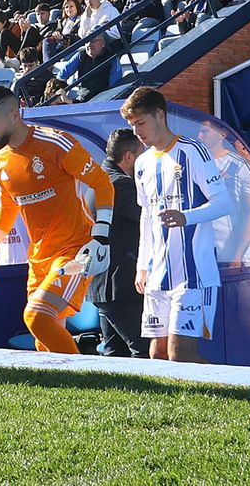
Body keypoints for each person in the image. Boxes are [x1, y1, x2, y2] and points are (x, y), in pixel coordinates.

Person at [0, 85, 114, 354]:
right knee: (44, 341)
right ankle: (70, 392)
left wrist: (101, 237)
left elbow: (102, 183)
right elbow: (8, 203)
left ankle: (89, 380)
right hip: (38, 258)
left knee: (37, 317)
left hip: (72, 251)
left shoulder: (55, 143)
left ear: (15, 115)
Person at [126, 88, 236, 363]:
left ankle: (228, 391)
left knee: (180, 356)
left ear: (160, 115)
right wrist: (142, 265)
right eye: (131, 125)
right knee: (157, 354)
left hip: (192, 273)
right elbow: (147, 216)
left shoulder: (192, 152)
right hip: (157, 273)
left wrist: (187, 216)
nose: (137, 131)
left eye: (141, 123)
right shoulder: (142, 163)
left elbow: (223, 203)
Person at [90, 127, 147, 358]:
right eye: (142, 154)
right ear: (129, 156)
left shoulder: (99, 181)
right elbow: (148, 217)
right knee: (144, 351)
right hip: (120, 287)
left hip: (107, 287)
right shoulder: (120, 185)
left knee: (115, 355)